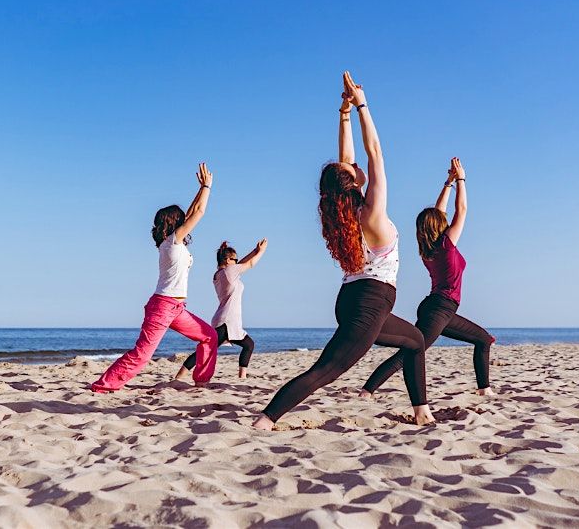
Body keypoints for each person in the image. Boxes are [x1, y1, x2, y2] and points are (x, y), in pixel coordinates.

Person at [253, 72, 433, 430]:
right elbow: (375, 153)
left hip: (355, 300)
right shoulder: (372, 214)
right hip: (369, 303)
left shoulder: (346, 214)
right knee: (327, 370)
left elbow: (348, 157)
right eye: (349, 168)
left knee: (415, 342)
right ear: (351, 181)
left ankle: (421, 410)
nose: (352, 164)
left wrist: (344, 112)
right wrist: (364, 103)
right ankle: (265, 419)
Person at [362, 157, 495, 401]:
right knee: (411, 351)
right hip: (440, 309)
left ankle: (484, 388)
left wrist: (448, 182)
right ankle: (367, 390)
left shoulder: (429, 246)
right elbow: (461, 210)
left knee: (483, 339)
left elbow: (438, 213)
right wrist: (462, 179)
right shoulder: (446, 244)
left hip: (440, 309)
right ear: (438, 227)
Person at [91, 164, 220, 392]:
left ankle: (201, 381)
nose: (185, 221)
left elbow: (191, 213)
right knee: (142, 354)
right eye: (180, 220)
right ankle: (103, 386)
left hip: (177, 308)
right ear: (174, 223)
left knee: (209, 336)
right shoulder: (171, 242)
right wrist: (208, 186)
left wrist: (200, 189)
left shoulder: (172, 241)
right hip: (163, 306)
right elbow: (198, 213)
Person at [175, 239, 267, 380]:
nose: (237, 263)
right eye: (234, 260)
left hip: (229, 321)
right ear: (228, 260)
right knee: (206, 349)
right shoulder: (229, 272)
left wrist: (254, 251)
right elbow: (250, 264)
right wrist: (261, 252)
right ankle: (180, 375)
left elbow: (241, 263)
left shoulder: (221, 274)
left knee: (248, 345)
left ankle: (242, 377)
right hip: (226, 322)